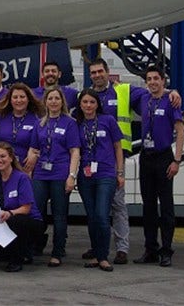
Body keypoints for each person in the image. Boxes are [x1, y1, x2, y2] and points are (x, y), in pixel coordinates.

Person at [87, 57, 181, 264]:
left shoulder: (123, 91)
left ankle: (123, 249)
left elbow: (154, 91)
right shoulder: (86, 95)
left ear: (107, 72)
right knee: (96, 206)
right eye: (93, 73)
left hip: (117, 158)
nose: (97, 75)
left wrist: (172, 91)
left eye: (100, 71)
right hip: (93, 158)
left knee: (118, 204)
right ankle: (98, 246)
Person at [133, 66, 184, 267]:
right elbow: (121, 89)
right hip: (146, 157)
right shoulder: (144, 99)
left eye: (156, 78)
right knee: (148, 207)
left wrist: (176, 160)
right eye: (149, 79)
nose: (152, 82)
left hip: (164, 157)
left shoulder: (171, 101)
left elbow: (180, 132)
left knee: (166, 206)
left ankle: (166, 250)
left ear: (163, 81)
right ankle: (150, 249)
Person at [26, 87, 80, 266]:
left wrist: (71, 176)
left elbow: (74, 151)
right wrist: (28, 172)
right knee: (37, 212)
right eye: (50, 99)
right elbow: (33, 149)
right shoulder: (40, 123)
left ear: (62, 101)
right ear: (45, 102)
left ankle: (58, 250)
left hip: (60, 174)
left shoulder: (69, 123)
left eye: (57, 98)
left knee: (59, 215)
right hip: (40, 174)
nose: (54, 102)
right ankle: (34, 246)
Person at [73, 89, 124, 272]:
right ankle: (96, 253)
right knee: (92, 216)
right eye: (85, 102)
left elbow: (118, 147)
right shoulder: (76, 124)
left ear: (97, 104)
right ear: (80, 104)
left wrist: (120, 172)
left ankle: (103, 257)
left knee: (102, 215)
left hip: (106, 174)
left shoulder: (107, 120)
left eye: (92, 102)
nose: (88, 105)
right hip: (86, 175)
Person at [0, 142, 43, 273]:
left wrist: (9, 213)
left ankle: (16, 259)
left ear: (11, 158)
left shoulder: (22, 178)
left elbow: (26, 208)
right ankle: (15, 253)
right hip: (4, 220)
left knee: (14, 222)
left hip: (27, 221)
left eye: (3, 156)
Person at [0, 83, 43, 167]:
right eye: (15, 97)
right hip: (3, 167)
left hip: (26, 168)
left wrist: (36, 155)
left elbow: (41, 145)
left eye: (22, 97)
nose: (18, 100)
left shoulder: (36, 120)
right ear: (10, 100)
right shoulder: (1, 118)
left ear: (28, 99)